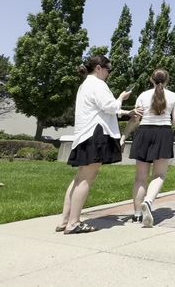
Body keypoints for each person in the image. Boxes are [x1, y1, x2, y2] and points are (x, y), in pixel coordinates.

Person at [56, 55, 142, 234]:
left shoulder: (85, 85)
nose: (109, 73)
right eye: (108, 69)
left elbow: (104, 108)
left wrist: (122, 107)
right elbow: (109, 106)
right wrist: (122, 100)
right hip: (95, 135)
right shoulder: (97, 84)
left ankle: (65, 220)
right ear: (98, 68)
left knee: (80, 178)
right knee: (87, 177)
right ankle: (74, 223)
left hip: (85, 135)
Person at [126, 69, 175, 227]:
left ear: (151, 79)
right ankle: (148, 202)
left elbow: (136, 119)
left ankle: (136, 214)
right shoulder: (173, 96)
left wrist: (124, 135)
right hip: (163, 133)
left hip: (143, 133)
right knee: (159, 175)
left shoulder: (142, 95)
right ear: (167, 80)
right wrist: (168, 126)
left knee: (140, 177)